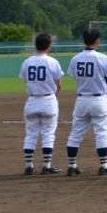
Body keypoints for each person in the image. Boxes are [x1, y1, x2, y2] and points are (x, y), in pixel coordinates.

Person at [65, 29, 107, 176]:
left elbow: (75, 77)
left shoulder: (75, 59)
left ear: (83, 41)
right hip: (99, 99)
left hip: (81, 99)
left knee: (75, 133)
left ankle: (72, 165)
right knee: (101, 133)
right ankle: (103, 165)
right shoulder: (103, 58)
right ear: (97, 41)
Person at [19, 33, 64, 175]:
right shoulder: (53, 62)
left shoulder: (27, 62)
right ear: (49, 46)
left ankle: (28, 166)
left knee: (31, 134)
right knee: (48, 134)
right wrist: (52, 97)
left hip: (32, 100)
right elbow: (59, 85)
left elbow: (26, 81)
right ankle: (46, 165)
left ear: (35, 45)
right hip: (48, 100)